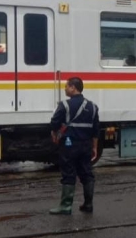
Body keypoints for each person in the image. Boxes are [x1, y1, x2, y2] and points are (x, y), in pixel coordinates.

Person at [49, 77, 100, 215]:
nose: (65, 89)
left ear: (73, 88)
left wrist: (54, 132)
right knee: (86, 173)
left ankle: (65, 207)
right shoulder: (93, 107)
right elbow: (96, 130)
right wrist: (94, 147)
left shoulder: (64, 105)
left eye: (66, 86)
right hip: (86, 145)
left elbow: (54, 122)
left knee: (69, 173)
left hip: (69, 145)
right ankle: (88, 204)